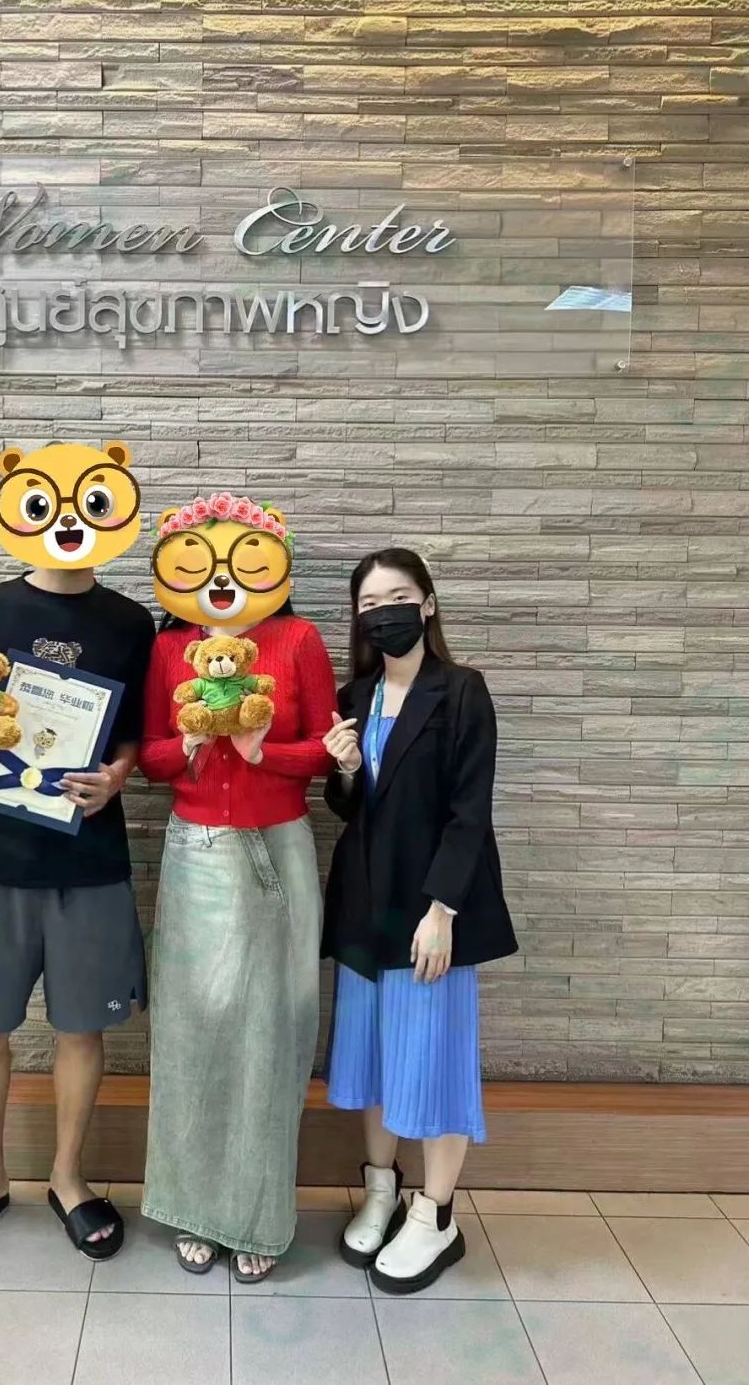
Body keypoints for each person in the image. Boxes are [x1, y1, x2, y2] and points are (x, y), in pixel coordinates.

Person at [0, 441, 155, 1269]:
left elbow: (137, 732)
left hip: (88, 859)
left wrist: (117, 776)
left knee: (83, 1027)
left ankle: (68, 1177)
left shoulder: (130, 622)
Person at [139, 494, 336, 1283]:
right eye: (202, 564)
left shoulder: (298, 639)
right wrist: (187, 743)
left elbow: (325, 747)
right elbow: (150, 757)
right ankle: (194, 1207)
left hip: (278, 846)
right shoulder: (170, 648)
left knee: (272, 1030)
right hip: (195, 849)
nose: (222, 579)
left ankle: (258, 1216)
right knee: (194, 1027)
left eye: (242, 561)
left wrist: (265, 753)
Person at [321, 547, 518, 1295]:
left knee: (434, 1062)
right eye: (370, 603)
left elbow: (470, 813)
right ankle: (381, 1189)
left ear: (428, 603)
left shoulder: (462, 690)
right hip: (365, 907)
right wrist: (344, 769)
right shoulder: (355, 693)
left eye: (398, 597)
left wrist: (443, 911)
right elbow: (349, 808)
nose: (384, 613)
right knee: (373, 1057)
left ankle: (436, 1215)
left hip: (431, 910)